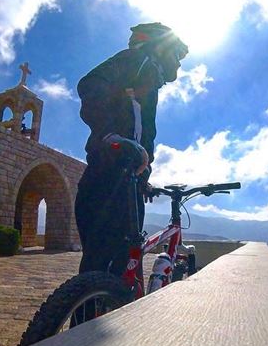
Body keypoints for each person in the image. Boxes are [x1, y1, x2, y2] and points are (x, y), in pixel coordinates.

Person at [75, 23, 188, 277]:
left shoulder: (147, 85)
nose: (179, 64)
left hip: (126, 182)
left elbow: (144, 138)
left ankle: (105, 312)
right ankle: (90, 315)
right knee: (102, 270)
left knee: (123, 267)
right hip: (108, 179)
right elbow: (91, 85)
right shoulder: (136, 60)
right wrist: (109, 135)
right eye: (177, 55)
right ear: (160, 48)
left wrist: (143, 176)